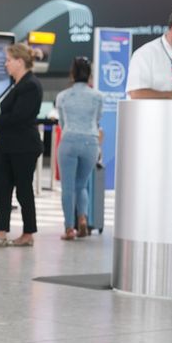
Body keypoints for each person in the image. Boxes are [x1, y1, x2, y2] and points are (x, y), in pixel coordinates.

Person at [0, 44, 43, 247]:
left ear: (20, 62)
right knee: (2, 187)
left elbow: (19, 116)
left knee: (23, 189)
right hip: (8, 145)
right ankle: (1, 230)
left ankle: (28, 232)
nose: (5, 64)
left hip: (23, 146)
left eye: (8, 60)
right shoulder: (17, 83)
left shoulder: (30, 85)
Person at [56, 57, 103, 240]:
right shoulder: (98, 96)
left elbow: (61, 121)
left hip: (69, 140)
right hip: (90, 142)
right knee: (82, 185)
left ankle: (69, 228)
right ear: (90, 74)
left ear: (72, 74)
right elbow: (97, 119)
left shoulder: (63, 96)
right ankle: (82, 218)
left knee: (68, 188)